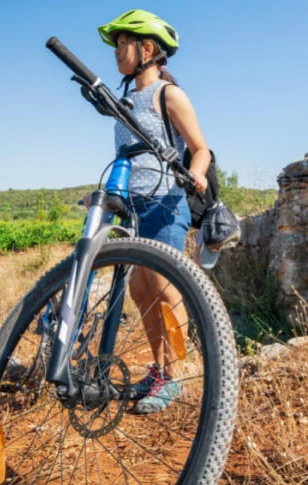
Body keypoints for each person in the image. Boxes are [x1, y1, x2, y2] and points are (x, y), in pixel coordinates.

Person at [98, 9, 211, 414]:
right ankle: (158, 369)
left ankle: (174, 376)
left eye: (122, 44)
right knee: (140, 290)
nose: (116, 53)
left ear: (147, 48)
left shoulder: (169, 94)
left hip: (166, 203)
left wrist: (196, 174)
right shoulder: (125, 100)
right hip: (131, 207)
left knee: (166, 289)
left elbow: (200, 149)